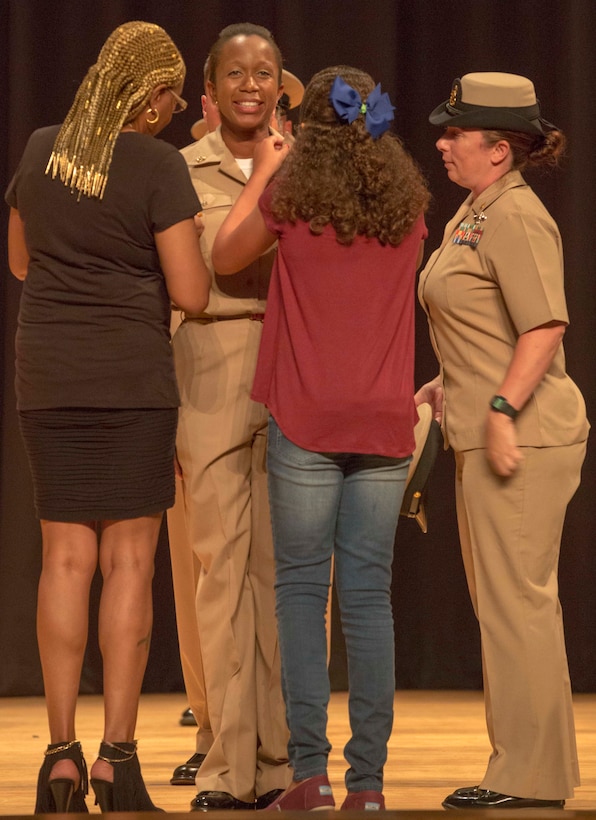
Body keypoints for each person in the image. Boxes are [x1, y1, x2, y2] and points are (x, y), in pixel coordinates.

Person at [5, 21, 210, 813]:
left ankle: (58, 757)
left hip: (48, 377)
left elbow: (22, 261)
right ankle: (116, 762)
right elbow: (191, 292)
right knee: (129, 564)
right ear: (145, 94)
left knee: (63, 561)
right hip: (130, 379)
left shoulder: (41, 149)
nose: (178, 103)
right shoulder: (157, 164)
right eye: (172, 88)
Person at [212, 64, 430, 811]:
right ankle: (368, 788)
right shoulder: (410, 212)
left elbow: (224, 256)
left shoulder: (290, 201)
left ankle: (310, 777)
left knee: (303, 595)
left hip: (305, 420)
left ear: (310, 129)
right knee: (369, 600)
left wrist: (268, 166)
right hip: (381, 424)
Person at [415, 72, 589, 810]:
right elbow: (483, 323)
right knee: (507, 605)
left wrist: (498, 404)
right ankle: (524, 765)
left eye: (456, 132)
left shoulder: (516, 215)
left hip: (523, 436)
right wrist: (447, 381)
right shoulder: (476, 210)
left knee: (518, 604)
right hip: (486, 428)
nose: (442, 142)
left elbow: (544, 326)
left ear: (500, 147)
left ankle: (530, 775)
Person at [166, 23, 294, 811]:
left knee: (283, 580)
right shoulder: (178, 170)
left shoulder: (313, 169)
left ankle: (279, 760)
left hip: (291, 372)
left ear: (282, 85)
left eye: (266, 71)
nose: (252, 83)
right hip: (209, 369)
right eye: (237, 73)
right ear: (211, 90)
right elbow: (218, 262)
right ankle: (224, 758)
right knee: (221, 574)